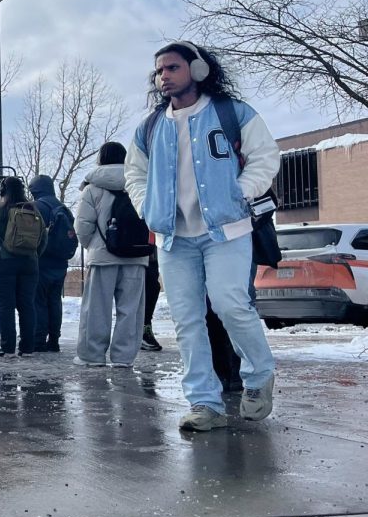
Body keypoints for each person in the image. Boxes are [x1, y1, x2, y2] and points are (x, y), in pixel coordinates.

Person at [126, 41, 280, 431]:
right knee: (186, 320)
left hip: (225, 231)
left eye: (172, 68)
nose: (163, 76)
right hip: (174, 238)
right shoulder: (150, 127)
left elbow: (266, 156)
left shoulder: (232, 113)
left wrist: (239, 192)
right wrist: (148, 206)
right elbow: (134, 174)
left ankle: (259, 377)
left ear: (196, 70)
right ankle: (204, 403)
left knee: (231, 305)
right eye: (159, 70)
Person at [73, 142, 148, 369]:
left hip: (103, 256)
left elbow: (83, 226)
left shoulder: (91, 188)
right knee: (131, 310)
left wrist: (91, 246)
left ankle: (92, 356)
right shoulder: (139, 183)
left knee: (96, 308)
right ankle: (124, 357)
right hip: (136, 255)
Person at [0, 176, 46, 359]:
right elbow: (43, 238)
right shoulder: (33, 210)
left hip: (4, 263)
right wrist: (34, 254)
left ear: (2, 191)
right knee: (27, 305)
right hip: (30, 263)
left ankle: (7, 348)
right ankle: (28, 348)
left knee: (5, 306)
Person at [29, 174, 76, 353]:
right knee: (55, 301)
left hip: (41, 261)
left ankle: (39, 340)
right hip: (60, 263)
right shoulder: (63, 208)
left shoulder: (36, 207)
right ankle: (54, 339)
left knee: (38, 301)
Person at [141, 242, 163, 351]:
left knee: (152, 286)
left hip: (152, 246)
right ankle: (142, 329)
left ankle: (145, 328)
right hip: (130, 242)